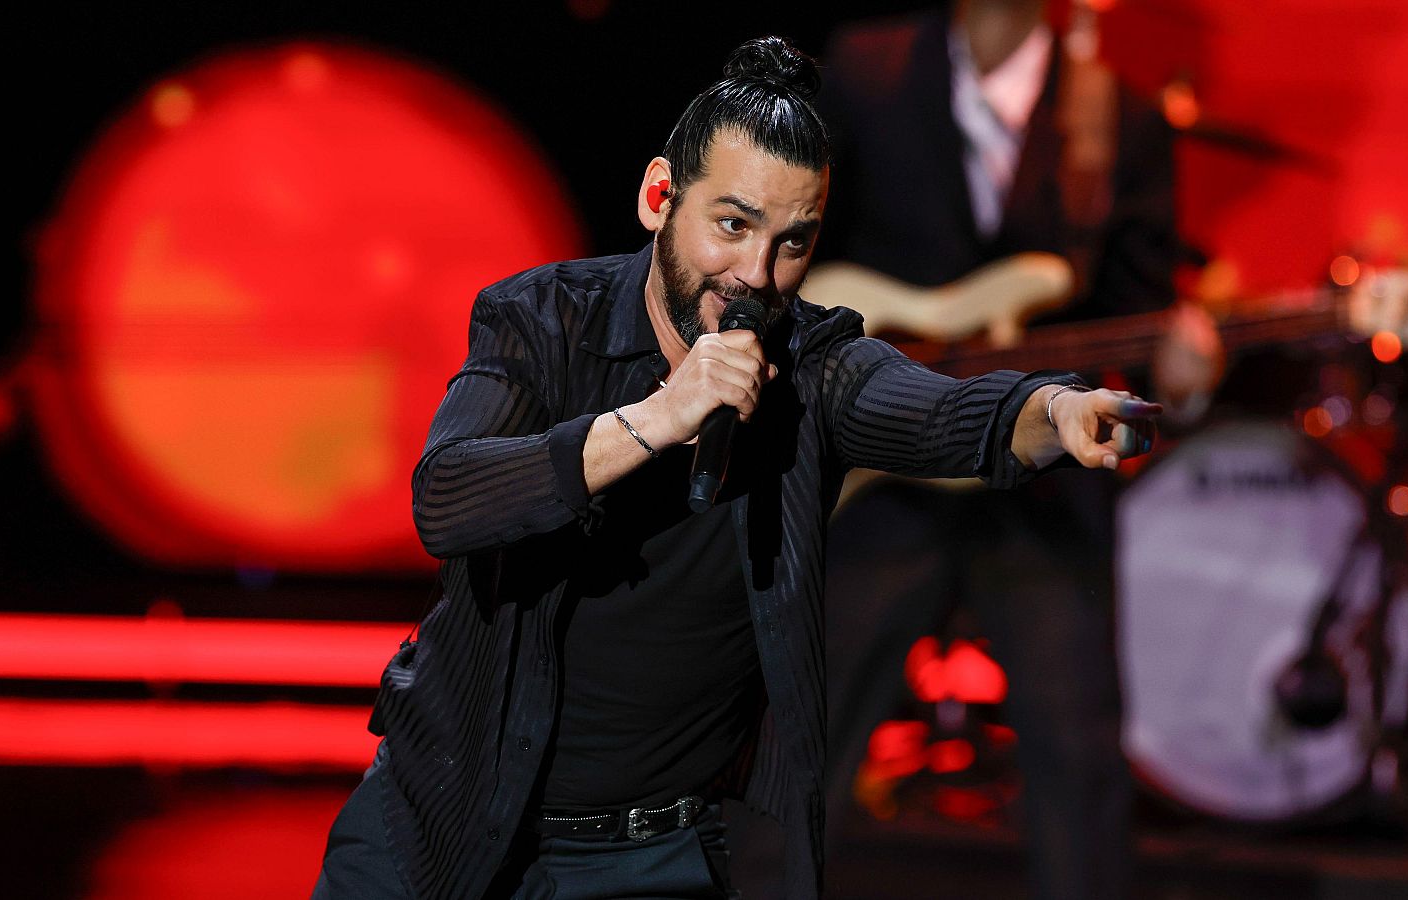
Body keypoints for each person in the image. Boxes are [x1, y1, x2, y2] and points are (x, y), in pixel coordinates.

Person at [312, 35, 1160, 900]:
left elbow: (944, 411)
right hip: (437, 824)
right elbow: (448, 499)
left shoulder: (814, 364)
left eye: (793, 242)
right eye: (732, 225)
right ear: (658, 198)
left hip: (644, 860)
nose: (754, 274)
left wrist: (1054, 410)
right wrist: (652, 420)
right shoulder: (540, 320)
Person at [792, 3, 1216, 899]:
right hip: (879, 473)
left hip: (1044, 493)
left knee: (1078, 768)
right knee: (797, 747)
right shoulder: (861, 68)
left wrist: (1178, 387)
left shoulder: (1120, 119)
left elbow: (1134, 360)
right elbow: (793, 255)